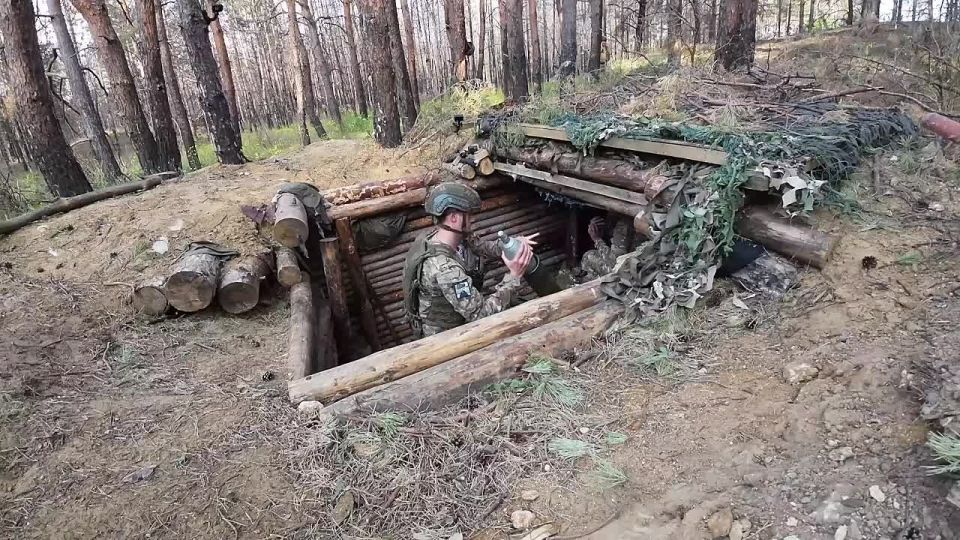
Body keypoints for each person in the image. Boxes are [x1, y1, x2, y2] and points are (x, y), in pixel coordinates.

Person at [402, 182, 538, 338]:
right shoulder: (446, 271)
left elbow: (482, 246)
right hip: (448, 337)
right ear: (454, 218)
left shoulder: (451, 237)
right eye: (468, 215)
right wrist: (514, 276)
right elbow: (481, 315)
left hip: (463, 315)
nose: (471, 220)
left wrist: (510, 245)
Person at [580, 214, 635, 279]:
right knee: (589, 254)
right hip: (624, 263)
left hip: (624, 270)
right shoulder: (617, 221)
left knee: (589, 256)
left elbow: (613, 263)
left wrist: (597, 239)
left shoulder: (623, 226)